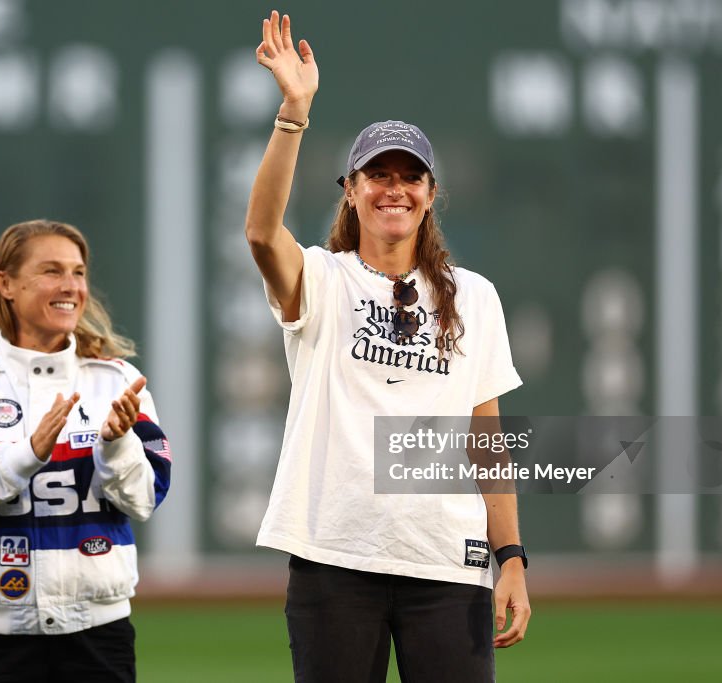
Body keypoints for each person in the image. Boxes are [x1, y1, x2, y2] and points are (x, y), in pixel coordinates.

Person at [247, 11, 530, 682]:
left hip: (446, 560)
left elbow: (485, 438)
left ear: (431, 195)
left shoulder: (475, 296)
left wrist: (511, 554)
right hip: (335, 557)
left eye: (410, 176)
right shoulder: (323, 278)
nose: (393, 187)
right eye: (377, 174)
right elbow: (261, 234)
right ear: (350, 191)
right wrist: (294, 112)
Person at [0, 219, 172, 683]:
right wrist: (28, 452)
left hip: (100, 635)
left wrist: (115, 445)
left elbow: (145, 498)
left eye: (77, 272)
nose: (70, 285)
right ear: (6, 284)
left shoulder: (116, 381)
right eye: (52, 271)